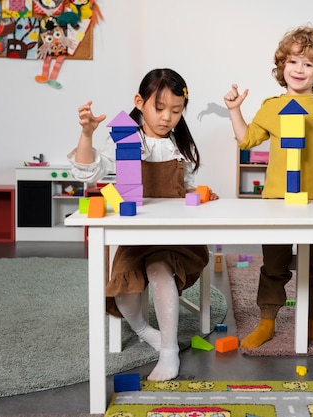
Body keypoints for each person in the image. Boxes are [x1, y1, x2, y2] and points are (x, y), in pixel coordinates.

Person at [67, 68, 219, 381]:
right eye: (159, 108)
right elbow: (87, 172)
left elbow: (186, 187)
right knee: (123, 285)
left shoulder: (179, 147)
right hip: (136, 234)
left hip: (174, 237)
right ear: (140, 102)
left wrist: (201, 196)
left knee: (158, 270)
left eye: (176, 111)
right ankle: (143, 329)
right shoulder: (126, 139)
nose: (167, 118)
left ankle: (169, 351)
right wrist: (86, 135)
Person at [223, 24, 313, 349]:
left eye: (309, 64)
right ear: (282, 65)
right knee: (273, 265)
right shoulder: (271, 106)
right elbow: (246, 139)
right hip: (278, 201)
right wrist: (234, 110)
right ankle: (267, 321)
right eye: (294, 61)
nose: (299, 69)